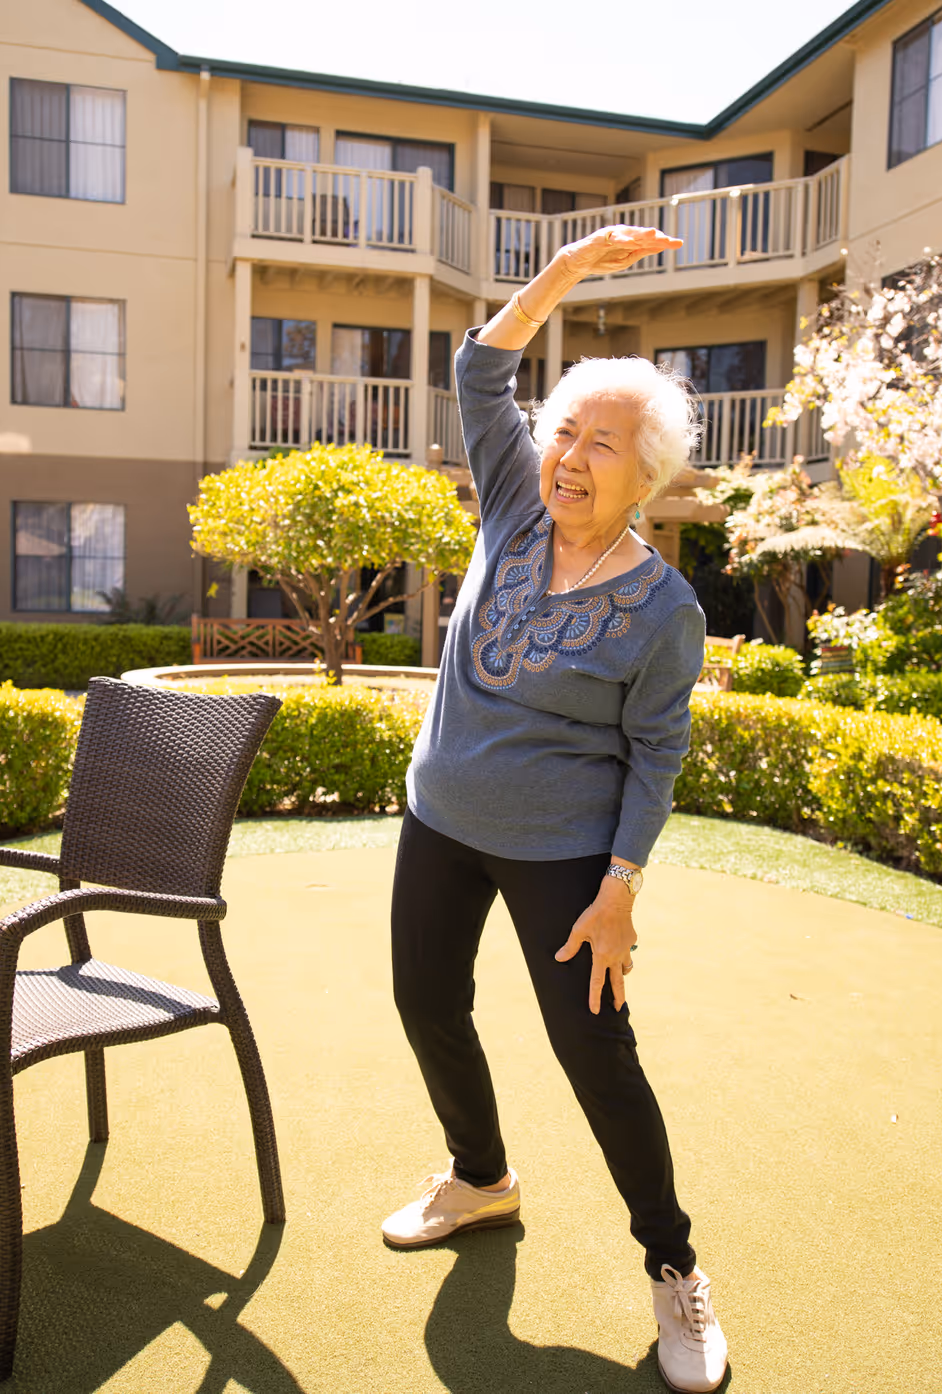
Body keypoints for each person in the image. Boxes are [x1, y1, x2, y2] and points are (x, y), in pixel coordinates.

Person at [382, 224, 727, 1393]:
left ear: (649, 476)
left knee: (596, 1057)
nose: (572, 457)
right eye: (564, 432)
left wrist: (620, 887)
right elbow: (482, 367)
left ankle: (674, 1267)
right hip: (439, 818)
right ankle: (480, 1175)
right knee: (425, 999)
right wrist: (567, 275)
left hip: (563, 859)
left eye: (604, 444)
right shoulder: (514, 514)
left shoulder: (663, 608)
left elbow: (655, 752)